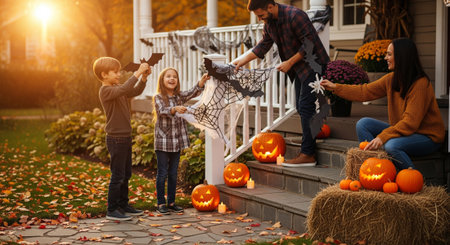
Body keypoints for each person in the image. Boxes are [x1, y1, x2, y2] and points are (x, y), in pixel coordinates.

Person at [321, 38, 445, 170]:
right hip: (405, 131)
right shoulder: (391, 79)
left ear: (402, 57)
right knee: (363, 124)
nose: (385, 57)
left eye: (389, 54)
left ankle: (413, 178)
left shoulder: (420, 84)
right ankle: (376, 170)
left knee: (392, 145)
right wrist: (335, 87)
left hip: (427, 136)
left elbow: (410, 122)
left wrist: (383, 137)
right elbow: (364, 91)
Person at [233, 0, 330, 167]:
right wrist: (241, 61)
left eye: (261, 15)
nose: (259, 19)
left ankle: (308, 154)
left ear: (270, 6)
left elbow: (309, 45)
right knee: (302, 107)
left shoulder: (295, 16)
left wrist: (289, 63)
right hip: (299, 68)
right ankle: (314, 129)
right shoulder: (269, 23)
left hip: (314, 64)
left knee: (305, 106)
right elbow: (263, 46)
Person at [93, 57, 150, 221]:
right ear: (104, 75)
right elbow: (126, 87)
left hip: (125, 137)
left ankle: (123, 205)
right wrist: (137, 72)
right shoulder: (105, 91)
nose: (119, 74)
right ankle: (112, 209)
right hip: (115, 138)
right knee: (117, 175)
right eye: (115, 72)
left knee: (126, 174)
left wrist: (144, 78)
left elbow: (135, 91)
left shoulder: (118, 88)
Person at [153, 68, 209, 215]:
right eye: (168, 76)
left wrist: (201, 82)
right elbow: (162, 111)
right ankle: (160, 203)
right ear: (162, 80)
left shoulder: (179, 96)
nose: (172, 79)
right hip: (163, 142)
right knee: (162, 173)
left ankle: (171, 202)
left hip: (176, 141)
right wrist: (174, 109)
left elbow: (192, 92)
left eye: (175, 77)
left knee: (173, 173)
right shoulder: (158, 97)